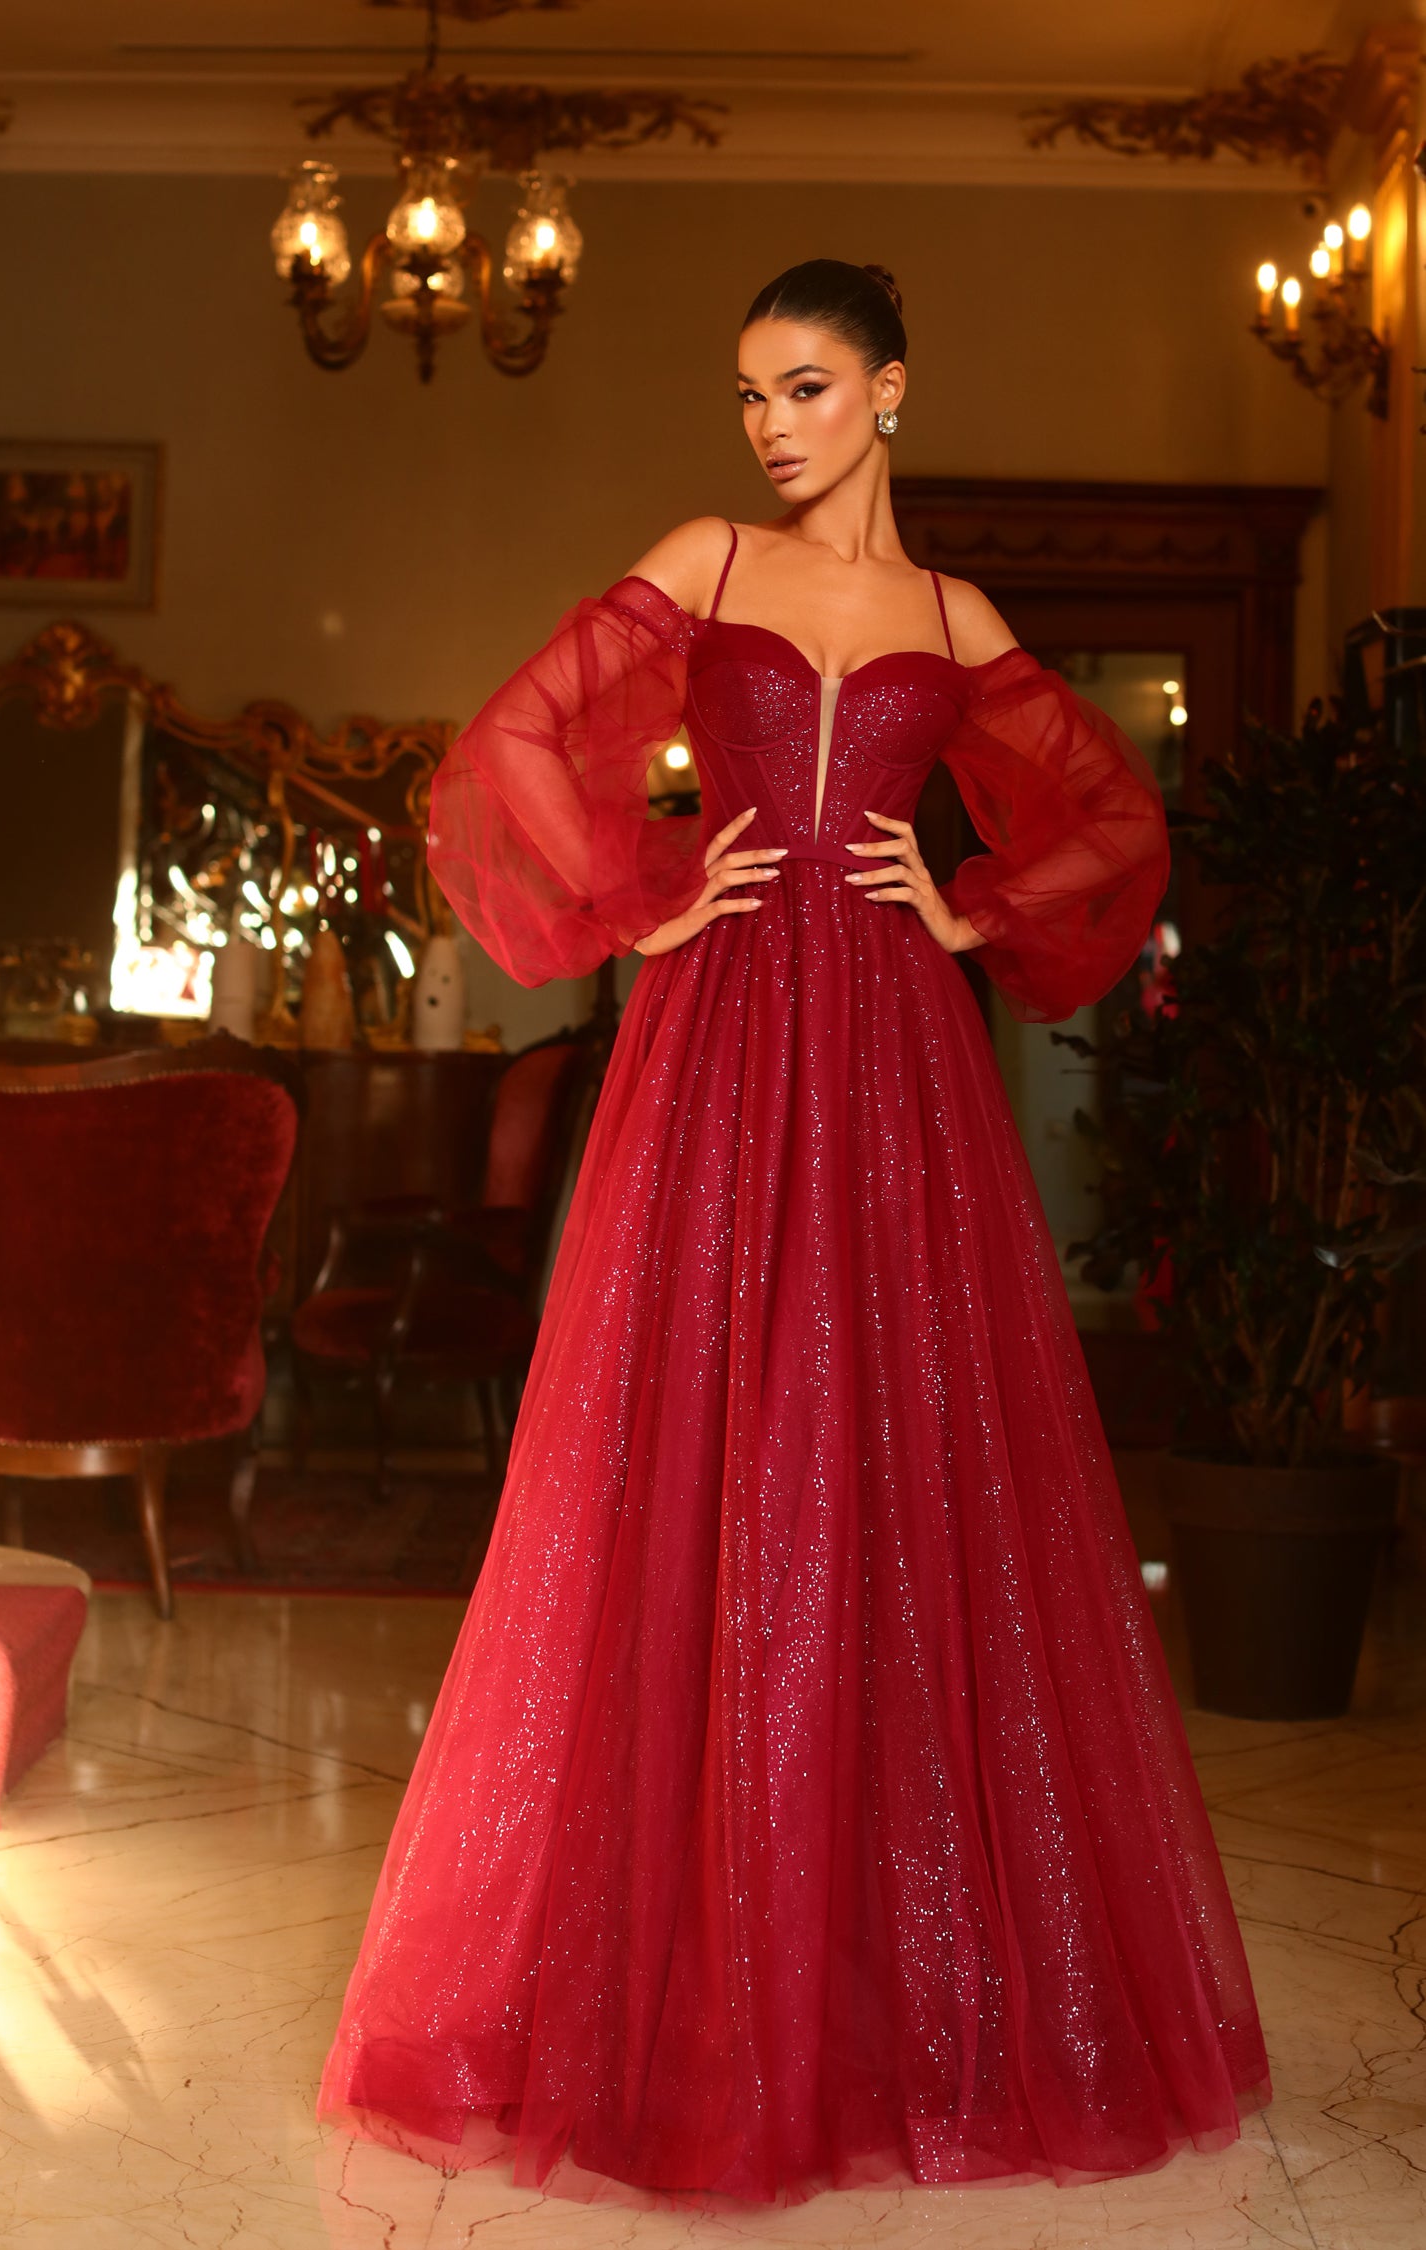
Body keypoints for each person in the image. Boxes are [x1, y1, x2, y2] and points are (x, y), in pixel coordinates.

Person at [318, 258, 1270, 2204]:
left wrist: (969, 906)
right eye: (752, 390)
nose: (771, 422)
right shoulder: (710, 564)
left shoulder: (957, 618)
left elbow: (1116, 816)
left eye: (809, 386)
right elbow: (505, 747)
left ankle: (894, 1991)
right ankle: (675, 1974)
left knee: (905, 1461)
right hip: (726, 1036)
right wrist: (646, 885)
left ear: (892, 392)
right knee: (690, 1445)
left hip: (905, 1070)